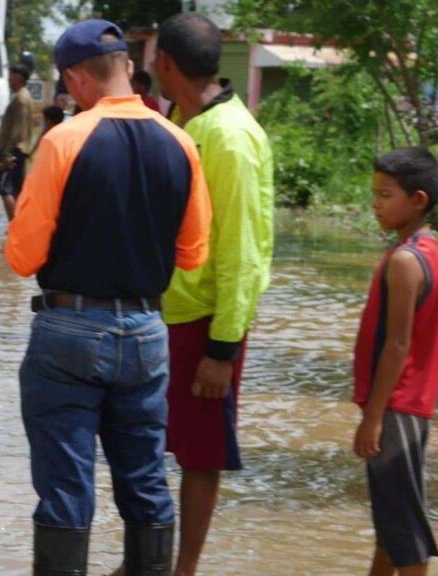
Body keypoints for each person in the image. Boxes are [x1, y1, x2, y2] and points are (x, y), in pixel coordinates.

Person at [6, 19, 212, 576]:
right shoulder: (181, 142)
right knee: (146, 484)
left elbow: (22, 257)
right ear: (126, 67)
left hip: (69, 330)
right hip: (146, 332)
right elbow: (193, 254)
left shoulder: (64, 141)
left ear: (76, 78)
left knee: (67, 492)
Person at [153, 13, 274, 576]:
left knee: (200, 458)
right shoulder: (182, 118)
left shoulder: (230, 137)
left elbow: (243, 253)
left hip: (206, 320)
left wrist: (222, 350)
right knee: (153, 445)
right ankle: (145, 559)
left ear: (166, 65)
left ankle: (185, 568)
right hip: (167, 313)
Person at [353, 147, 438, 576]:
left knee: (404, 531)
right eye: (374, 193)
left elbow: (397, 345)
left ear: (418, 200)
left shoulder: (406, 261)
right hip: (407, 405)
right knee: (391, 521)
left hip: (396, 407)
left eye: (385, 194)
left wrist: (372, 417)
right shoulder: (426, 249)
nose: (375, 203)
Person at [0, 63, 34, 220]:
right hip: (18, 149)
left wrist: (7, 153)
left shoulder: (21, 99)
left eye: (11, 75)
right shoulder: (22, 96)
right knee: (15, 190)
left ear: (19, 77)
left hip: (14, 150)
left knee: (6, 189)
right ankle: (17, 225)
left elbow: (17, 130)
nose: (8, 79)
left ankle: (14, 225)